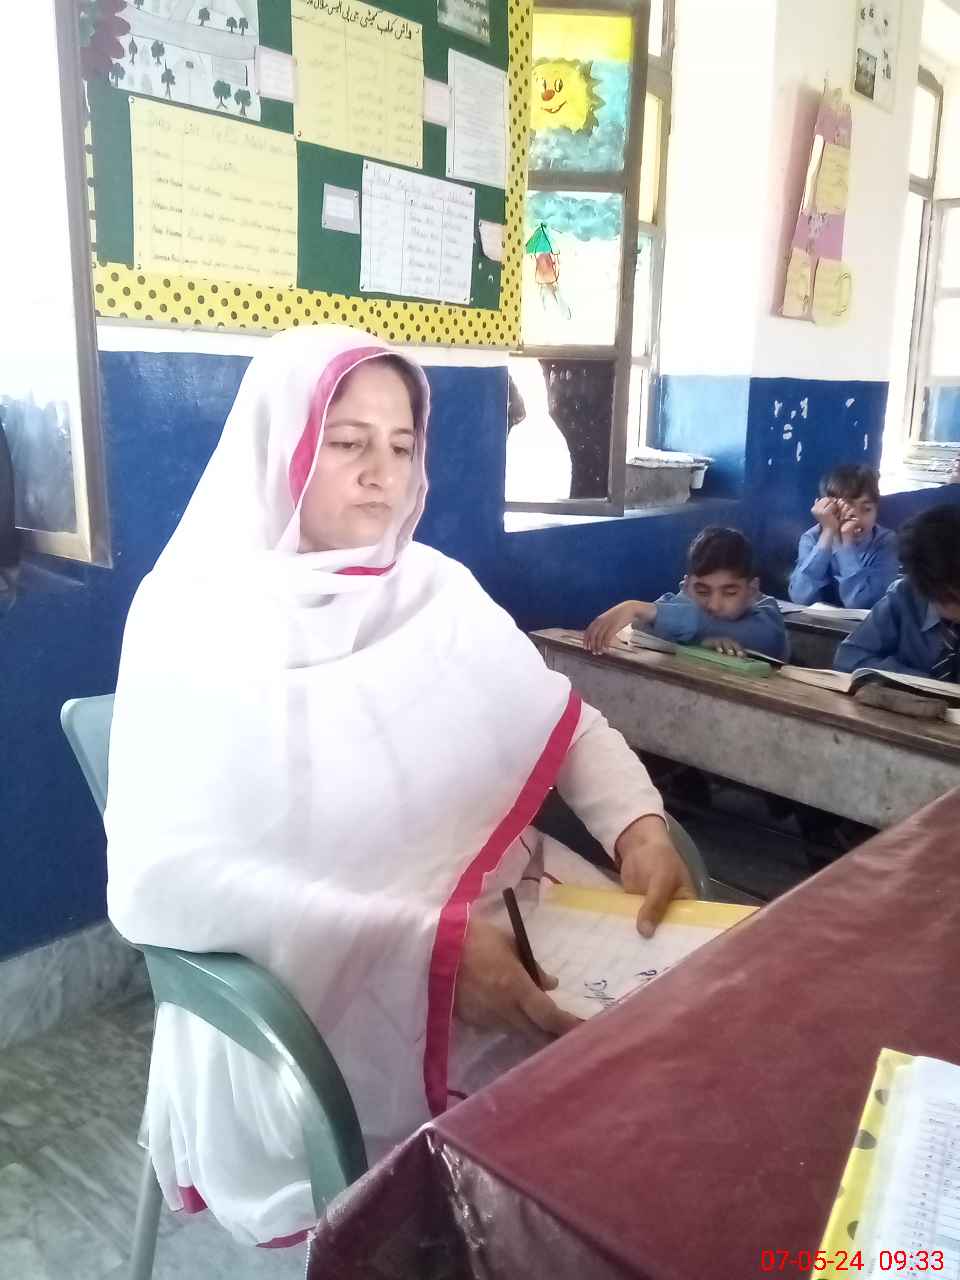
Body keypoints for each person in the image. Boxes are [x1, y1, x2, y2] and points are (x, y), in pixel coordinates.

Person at [104, 327, 692, 1246]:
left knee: (666, 1072)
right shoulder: (191, 620)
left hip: (499, 931)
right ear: (282, 444)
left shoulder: (435, 591)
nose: (382, 473)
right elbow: (168, 880)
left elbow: (562, 720)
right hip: (318, 1001)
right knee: (567, 1157)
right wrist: (428, 958)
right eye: (346, 442)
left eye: (402, 445)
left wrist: (638, 827)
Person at [585, 527, 788, 660]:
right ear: (686, 586)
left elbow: (766, 640)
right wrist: (699, 642)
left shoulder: (767, 616)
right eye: (702, 591)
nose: (714, 605)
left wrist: (636, 607)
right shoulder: (677, 604)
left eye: (730, 593)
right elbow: (640, 631)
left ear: (752, 590)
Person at [835, 505, 960, 678]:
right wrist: (916, 681)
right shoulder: (904, 595)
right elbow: (849, 657)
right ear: (925, 587)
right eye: (952, 596)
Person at [788, 464, 898, 609]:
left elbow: (863, 605)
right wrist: (828, 533)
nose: (855, 518)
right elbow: (800, 597)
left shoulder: (886, 542)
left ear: (876, 510)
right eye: (845, 508)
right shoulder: (812, 538)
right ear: (827, 509)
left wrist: (845, 545)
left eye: (866, 509)